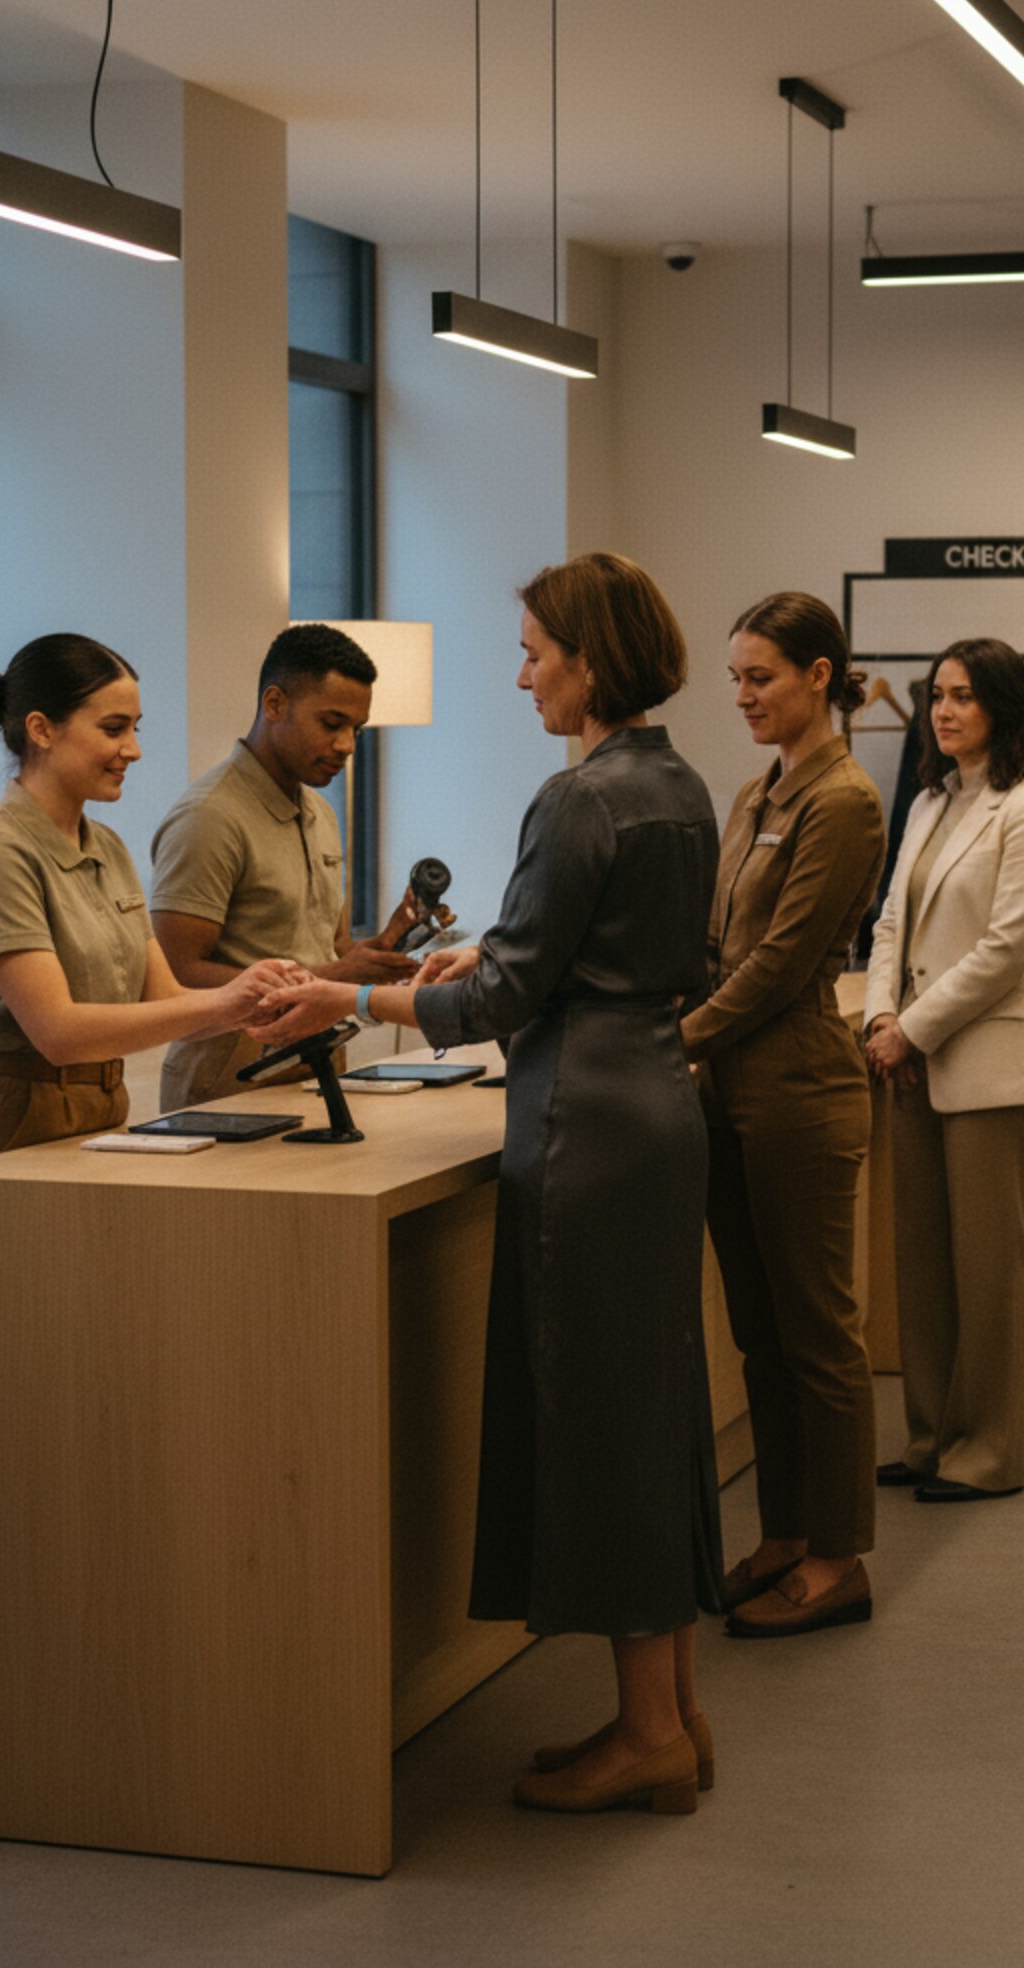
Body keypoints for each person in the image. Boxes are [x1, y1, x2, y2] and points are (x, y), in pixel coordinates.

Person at [258, 552, 722, 1819]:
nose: (519, 673)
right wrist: (504, 952)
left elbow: (495, 1000)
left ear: (589, 658)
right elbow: (635, 953)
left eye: (532, 651)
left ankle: (644, 1735)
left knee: (601, 1418)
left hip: (582, 1120)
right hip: (657, 1104)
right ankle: (671, 1710)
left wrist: (341, 995)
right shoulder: (679, 785)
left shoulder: (576, 800)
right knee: (653, 1404)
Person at [683, 593, 885, 1637]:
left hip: (800, 1083)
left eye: (760, 676)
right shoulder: (753, 792)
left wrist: (678, 1038)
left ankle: (840, 1552)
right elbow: (714, 941)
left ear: (819, 673)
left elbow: (780, 962)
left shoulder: (842, 799)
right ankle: (783, 1531)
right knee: (760, 1335)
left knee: (818, 1334)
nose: (744, 696)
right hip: (729, 1083)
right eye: (736, 679)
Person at [0, 634, 300, 1156]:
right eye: (113, 729)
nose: (134, 749)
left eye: (134, 728)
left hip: (101, 1111)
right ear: (41, 730)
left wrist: (255, 1000)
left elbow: (167, 1001)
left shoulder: (107, 846)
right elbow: (58, 1031)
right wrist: (224, 1001)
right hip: (5, 1119)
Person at [863, 637, 1024, 1499]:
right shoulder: (926, 803)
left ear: (1003, 708)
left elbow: (1005, 948)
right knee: (925, 1269)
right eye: (936, 695)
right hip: (908, 1057)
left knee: (990, 1270)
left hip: (984, 1064)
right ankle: (929, 1437)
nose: (944, 711)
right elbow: (886, 924)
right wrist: (881, 1015)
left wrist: (909, 1029)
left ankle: (987, 1452)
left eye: (963, 696)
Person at [148, 622, 452, 1112]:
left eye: (357, 729)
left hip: (320, 1064)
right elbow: (175, 976)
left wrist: (384, 945)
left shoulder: (321, 815)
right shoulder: (210, 816)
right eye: (331, 724)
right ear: (274, 704)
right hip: (230, 1079)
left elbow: (329, 950)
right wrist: (332, 973)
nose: (348, 745)